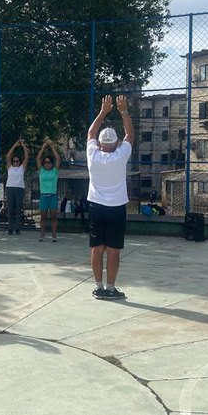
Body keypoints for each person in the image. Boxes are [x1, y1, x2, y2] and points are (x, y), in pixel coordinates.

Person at [86, 95, 134, 300]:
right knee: (113, 250)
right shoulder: (120, 155)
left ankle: (98, 287)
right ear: (116, 143)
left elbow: (90, 132)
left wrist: (103, 111)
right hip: (116, 208)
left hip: (96, 206)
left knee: (97, 249)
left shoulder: (92, 155)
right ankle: (111, 288)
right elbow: (130, 134)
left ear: (99, 144)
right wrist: (123, 111)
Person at [37, 138, 61, 242]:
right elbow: (38, 158)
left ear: (52, 163)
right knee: (43, 217)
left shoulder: (55, 171)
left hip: (53, 196)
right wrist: (43, 147)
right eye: (45, 162)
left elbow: (58, 158)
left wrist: (51, 146)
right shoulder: (41, 170)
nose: (47, 164)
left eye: (49, 162)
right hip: (43, 196)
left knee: (53, 217)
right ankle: (42, 234)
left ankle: (54, 235)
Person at [4, 138, 29, 236]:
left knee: (18, 209)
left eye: (17, 161)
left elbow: (26, 157)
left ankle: (17, 228)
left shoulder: (22, 168)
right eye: (14, 161)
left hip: (19, 189)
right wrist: (15, 144)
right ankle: (10, 228)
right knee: (10, 209)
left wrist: (23, 145)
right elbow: (7, 156)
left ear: (19, 162)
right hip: (10, 188)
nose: (15, 162)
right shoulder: (9, 168)